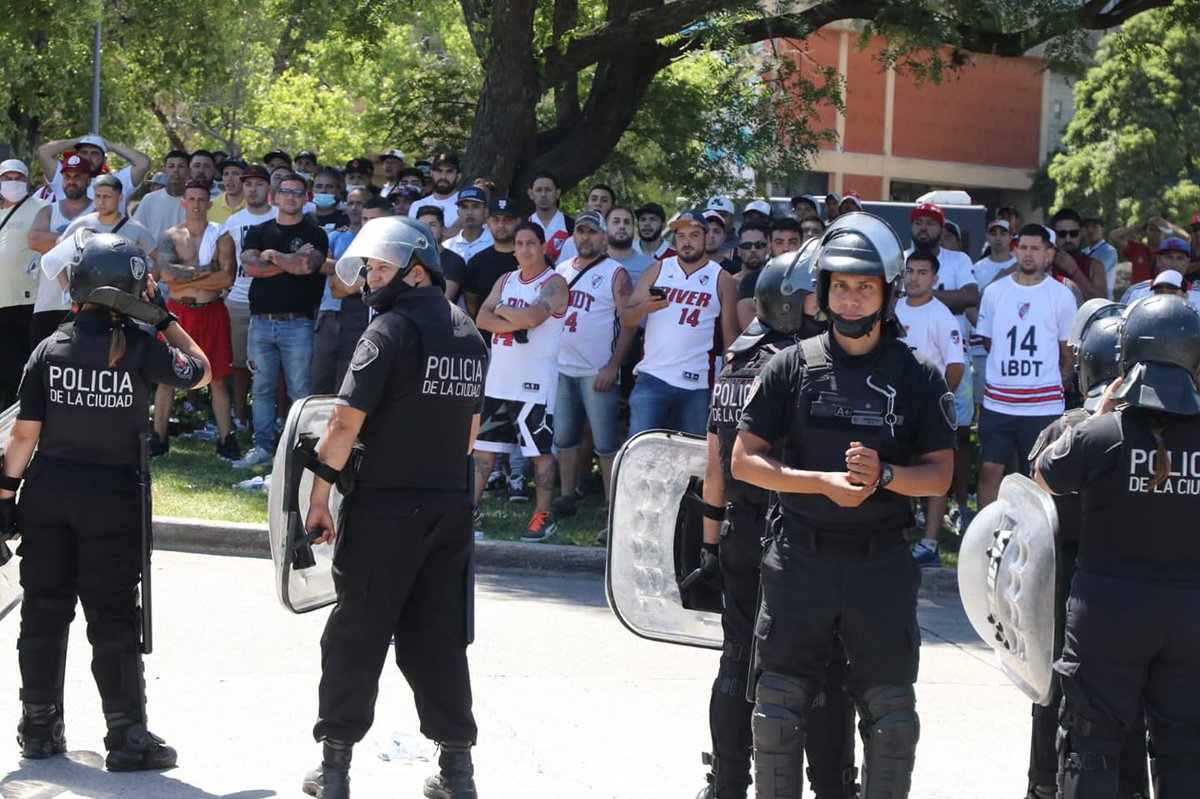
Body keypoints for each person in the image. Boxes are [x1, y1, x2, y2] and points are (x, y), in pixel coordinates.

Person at [730, 212, 956, 798]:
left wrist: (886, 476)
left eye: (865, 287)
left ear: (887, 292)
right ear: (823, 291)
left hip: (881, 567)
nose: (851, 299)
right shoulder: (791, 364)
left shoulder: (918, 375)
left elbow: (940, 476)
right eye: (841, 286)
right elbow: (744, 461)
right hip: (799, 561)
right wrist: (820, 483)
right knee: (777, 711)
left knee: (892, 717)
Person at [0, 232, 210, 770]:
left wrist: (4, 495)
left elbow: (23, 435)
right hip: (112, 501)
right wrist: (164, 319)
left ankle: (39, 728)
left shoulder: (51, 348)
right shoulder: (141, 347)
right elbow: (201, 370)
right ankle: (127, 736)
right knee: (114, 618)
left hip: (48, 496)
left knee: (43, 613)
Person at [300, 216, 487, 799]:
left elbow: (343, 422)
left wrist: (319, 498)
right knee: (438, 638)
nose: (369, 279)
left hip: (385, 507)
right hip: (448, 507)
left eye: (381, 268)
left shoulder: (388, 330)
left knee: (356, 635)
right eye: (368, 268)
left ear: (416, 270)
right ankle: (457, 772)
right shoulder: (469, 334)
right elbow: (470, 433)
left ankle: (334, 769)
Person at [695, 244, 858, 799]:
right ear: (790, 303)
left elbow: (713, 469)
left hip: (738, 531)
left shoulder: (734, 364)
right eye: (816, 295)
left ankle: (725, 782)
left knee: (737, 659)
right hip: (795, 536)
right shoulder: (803, 366)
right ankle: (833, 786)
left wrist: (710, 548)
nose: (826, 304)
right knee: (821, 666)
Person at [1033, 293, 1200, 799]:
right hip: (1188, 612)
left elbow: (1045, 475)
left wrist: (1099, 414)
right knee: (1185, 748)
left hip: (1108, 611)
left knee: (1090, 745)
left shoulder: (1103, 433)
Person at [1020, 300, 1150, 799]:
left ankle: (1043, 785)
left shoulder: (1065, 429)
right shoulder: (1151, 431)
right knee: (1126, 699)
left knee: (1053, 693)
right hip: (1124, 581)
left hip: (1064, 584)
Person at [472, 222, 569, 542]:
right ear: (513, 249)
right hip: (499, 380)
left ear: (543, 247)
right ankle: (469, 512)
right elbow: (481, 319)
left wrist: (504, 311)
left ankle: (543, 516)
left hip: (535, 382)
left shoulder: (554, 283)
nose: (525, 249)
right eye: (520, 243)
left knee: (539, 452)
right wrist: (513, 316)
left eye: (531, 243)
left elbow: (532, 318)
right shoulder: (506, 280)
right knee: (483, 450)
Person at [975, 224, 1076, 509]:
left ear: (1049, 253)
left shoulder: (1061, 295)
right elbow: (988, 342)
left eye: (1035, 248)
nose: (1028, 254)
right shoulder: (995, 292)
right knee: (989, 470)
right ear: (1015, 250)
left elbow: (1068, 353)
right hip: (999, 401)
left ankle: (1039, 532)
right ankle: (986, 531)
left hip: (1042, 405)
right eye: (1023, 247)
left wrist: (1054, 384)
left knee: (1040, 475)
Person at [234, 173, 329, 468]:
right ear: (275, 196)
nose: (291, 197)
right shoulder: (258, 231)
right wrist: (291, 259)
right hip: (260, 323)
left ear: (306, 198)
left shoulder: (315, 234)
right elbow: (251, 267)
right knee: (261, 389)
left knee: (299, 391)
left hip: (298, 324)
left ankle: (297, 452)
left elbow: (307, 267)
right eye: (286, 191)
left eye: (297, 193)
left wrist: (273, 255)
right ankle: (262, 447)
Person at [550, 210, 636, 520]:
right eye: (581, 231)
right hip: (562, 368)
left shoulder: (616, 273)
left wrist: (613, 366)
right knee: (564, 438)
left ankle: (613, 504)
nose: (586, 237)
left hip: (597, 370)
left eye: (592, 232)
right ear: (574, 235)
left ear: (604, 237)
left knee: (605, 442)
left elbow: (629, 323)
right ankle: (566, 496)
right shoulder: (561, 269)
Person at [623, 211, 739, 438]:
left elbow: (730, 338)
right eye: (681, 236)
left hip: (698, 384)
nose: (687, 242)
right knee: (639, 450)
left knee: (692, 455)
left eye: (694, 235)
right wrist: (644, 308)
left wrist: (725, 383)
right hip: (653, 377)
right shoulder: (658, 269)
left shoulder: (722, 278)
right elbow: (626, 318)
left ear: (707, 237)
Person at [151, 180, 238, 459]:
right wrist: (206, 270)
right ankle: (158, 439)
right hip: (178, 314)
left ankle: (226, 440)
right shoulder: (170, 236)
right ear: (183, 202)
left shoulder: (221, 235)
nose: (197, 204)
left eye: (202, 199)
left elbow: (226, 278)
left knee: (218, 379)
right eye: (192, 199)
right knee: (166, 377)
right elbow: (167, 275)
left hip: (212, 311)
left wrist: (185, 277)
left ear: (209, 203)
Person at [894, 250, 965, 567]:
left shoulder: (942, 315)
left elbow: (955, 366)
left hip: (928, 411)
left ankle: (930, 543)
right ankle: (902, 536)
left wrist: (939, 403)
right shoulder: (893, 309)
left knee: (934, 476)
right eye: (909, 271)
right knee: (901, 474)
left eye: (922, 273)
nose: (914, 278)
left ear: (934, 279)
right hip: (894, 407)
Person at [0, 159, 46, 406]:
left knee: (27, 361)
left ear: (27, 181)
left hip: (29, 299)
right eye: (7, 178)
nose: (13, 183)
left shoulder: (42, 208)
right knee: (6, 363)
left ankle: (30, 408)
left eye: (18, 178)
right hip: (2, 299)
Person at [34, 134, 150, 213]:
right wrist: (78, 140)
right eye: (84, 152)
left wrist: (111, 146)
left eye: (94, 153)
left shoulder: (117, 182)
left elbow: (143, 163)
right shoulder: (64, 178)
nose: (88, 157)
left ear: (104, 160)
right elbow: (43, 152)